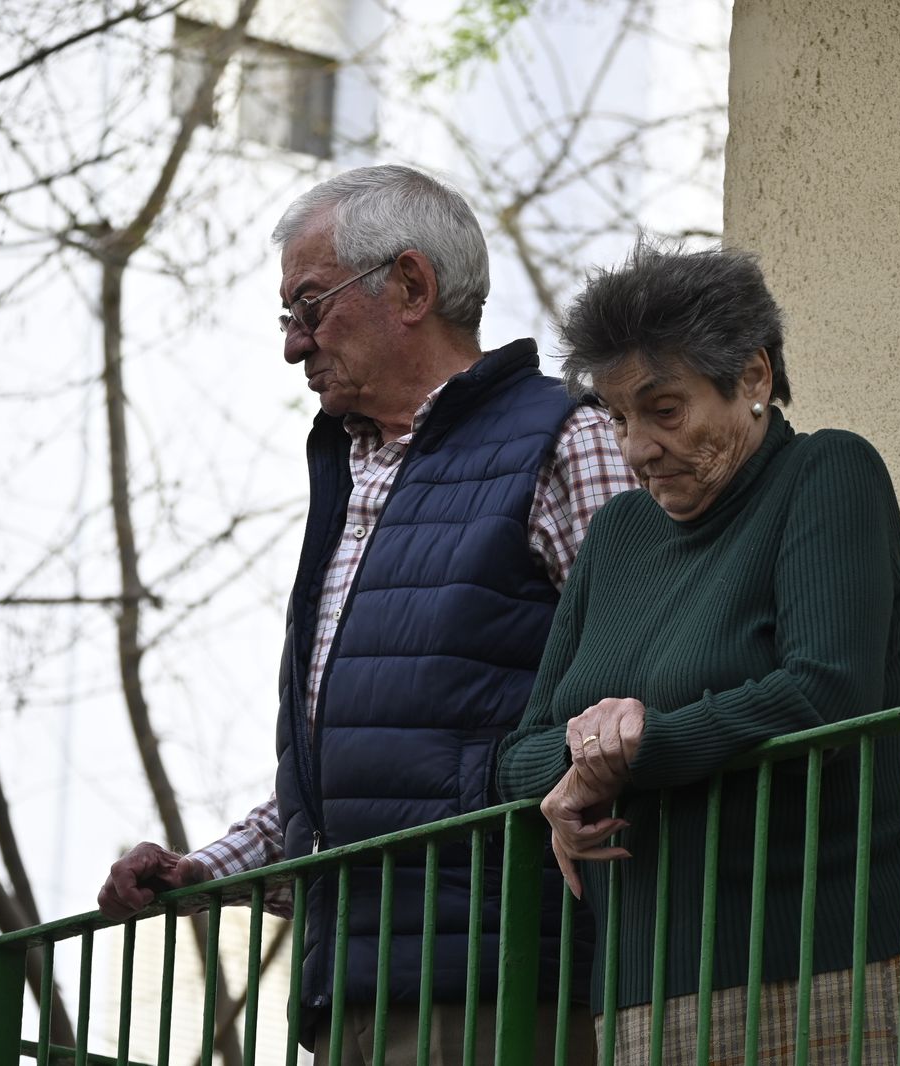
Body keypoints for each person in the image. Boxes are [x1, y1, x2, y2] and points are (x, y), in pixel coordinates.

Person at [97, 165, 634, 1065]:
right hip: (349, 989)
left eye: (308, 308)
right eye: (288, 319)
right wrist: (207, 872)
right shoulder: (351, 471)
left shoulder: (564, 440)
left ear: (412, 287)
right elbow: (367, 769)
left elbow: (641, 672)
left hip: (495, 983)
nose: (293, 347)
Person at [495, 243, 900, 1063]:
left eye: (664, 409)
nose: (636, 449)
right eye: (618, 418)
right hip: (639, 987)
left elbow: (824, 692)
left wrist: (641, 743)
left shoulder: (826, 475)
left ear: (752, 377)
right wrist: (585, 758)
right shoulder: (616, 537)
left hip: (827, 955)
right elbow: (523, 754)